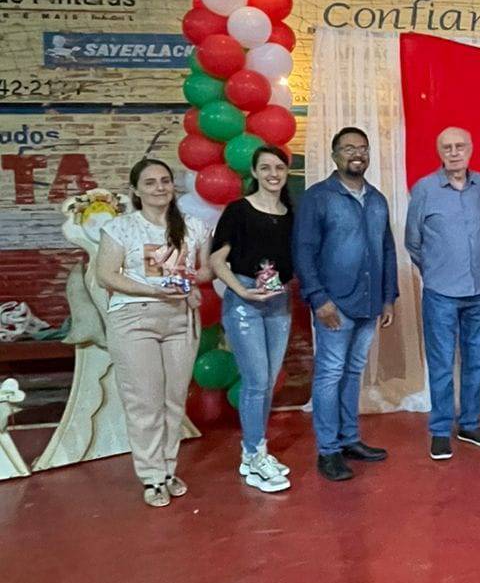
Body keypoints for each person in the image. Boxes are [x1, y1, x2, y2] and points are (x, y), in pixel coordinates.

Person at [95, 157, 209, 507]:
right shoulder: (120, 228)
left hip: (181, 319)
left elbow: (207, 270)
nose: (159, 187)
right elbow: (106, 275)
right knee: (144, 401)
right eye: (150, 182)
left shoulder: (194, 226)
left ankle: (168, 470)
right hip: (135, 318)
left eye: (164, 181)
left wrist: (190, 282)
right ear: (135, 190)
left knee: (174, 399)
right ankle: (152, 476)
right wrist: (153, 290)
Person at [294, 126, 398, 481]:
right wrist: (318, 298)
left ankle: (349, 439)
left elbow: (387, 250)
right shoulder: (318, 197)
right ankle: (328, 451)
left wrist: (388, 298)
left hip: (370, 303)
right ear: (334, 155)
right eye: (349, 148)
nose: (357, 154)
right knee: (330, 374)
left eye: (363, 148)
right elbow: (303, 251)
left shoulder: (377, 199)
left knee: (353, 372)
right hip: (334, 305)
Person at [405, 127, 480, 461]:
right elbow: (412, 241)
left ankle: (470, 425)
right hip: (441, 293)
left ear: (471, 149)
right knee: (442, 364)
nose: (454, 152)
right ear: (439, 152)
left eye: (460, 146)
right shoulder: (424, 189)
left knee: (474, 362)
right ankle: (440, 430)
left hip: (479, 291)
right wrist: (435, 271)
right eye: (447, 147)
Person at [209, 143, 295, 491]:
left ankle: (254, 452)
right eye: (266, 168)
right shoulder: (238, 211)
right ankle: (255, 454)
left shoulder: (290, 213)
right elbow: (217, 261)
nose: (273, 174)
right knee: (256, 380)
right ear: (255, 173)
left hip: (278, 301)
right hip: (245, 300)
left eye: (279, 168)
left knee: (268, 381)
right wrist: (242, 292)